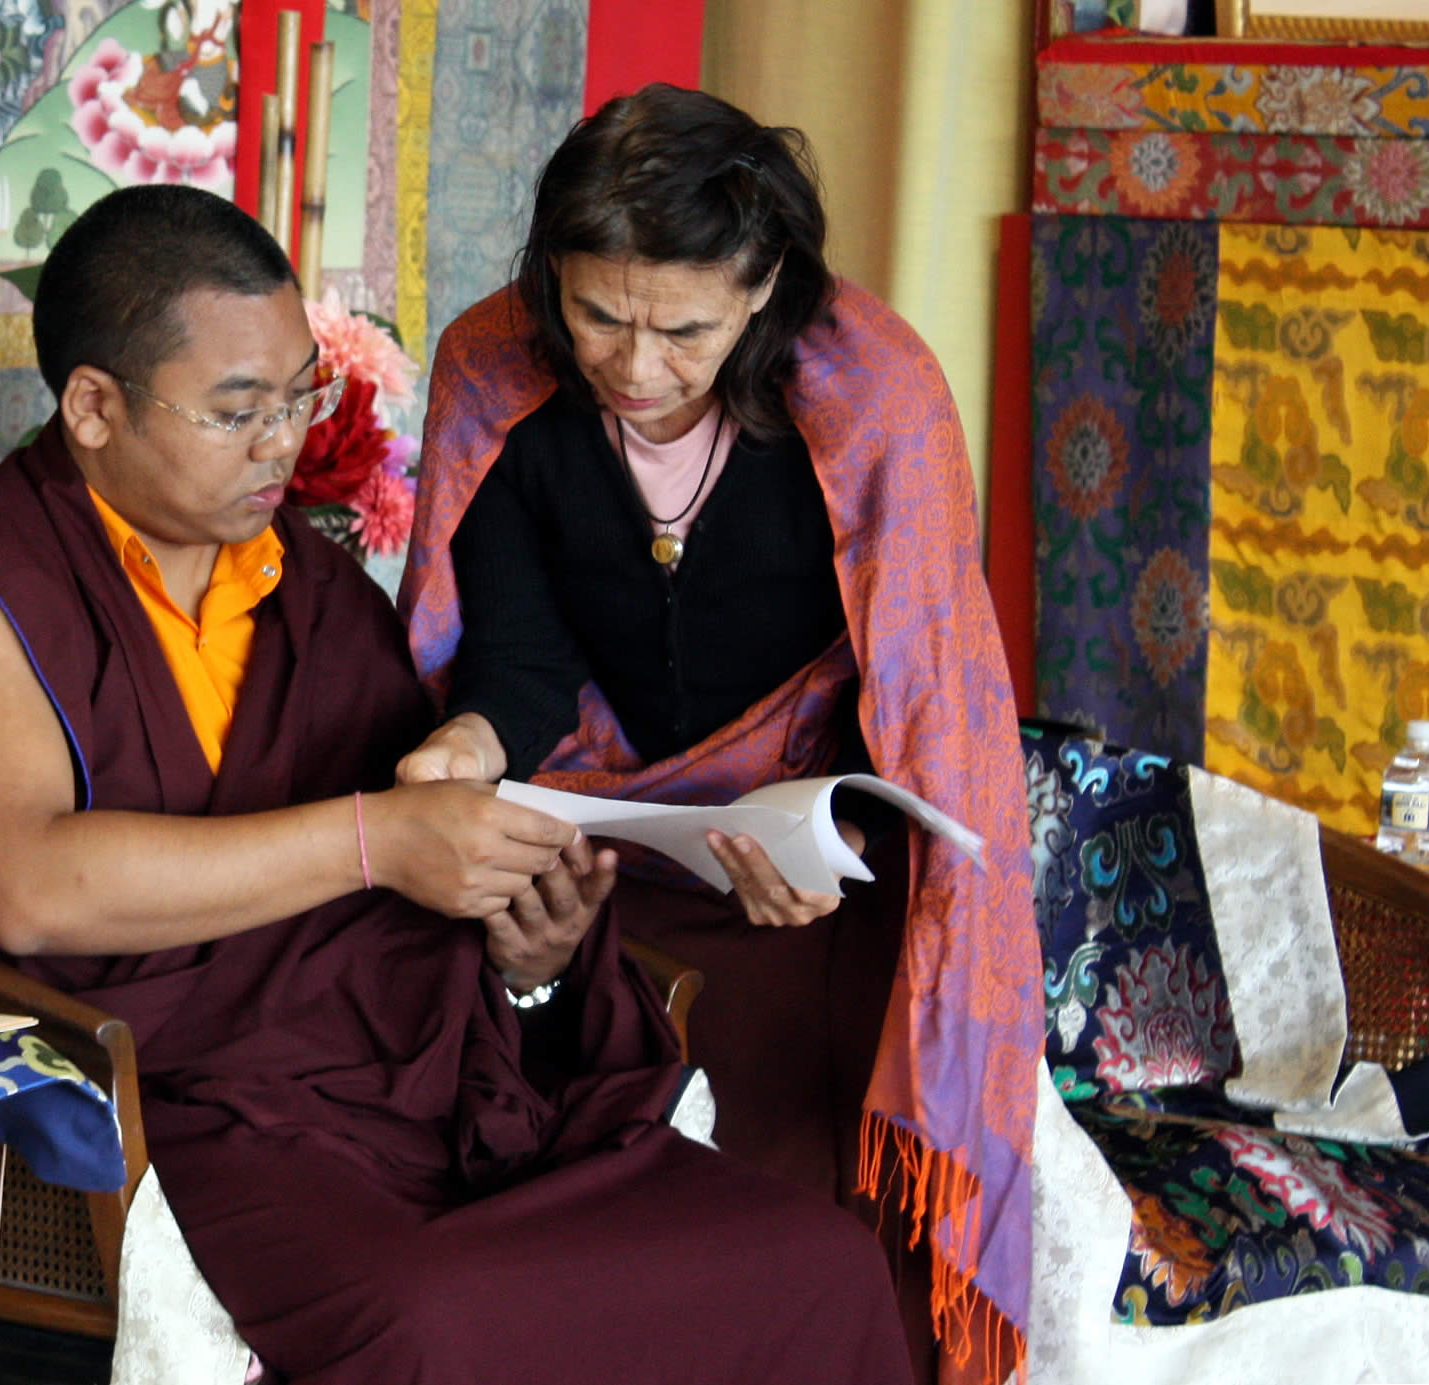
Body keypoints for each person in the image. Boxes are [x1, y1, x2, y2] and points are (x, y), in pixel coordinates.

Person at [0, 184, 913, 1383]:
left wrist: (525, 965)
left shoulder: (316, 592)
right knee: (437, 1319)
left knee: (808, 1258)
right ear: (92, 406)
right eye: (239, 410)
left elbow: (403, 924)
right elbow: (29, 890)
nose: (283, 441)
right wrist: (379, 839)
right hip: (162, 1106)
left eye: (299, 397)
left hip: (406, 1090)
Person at [395, 86, 1040, 1385]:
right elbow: (514, 661)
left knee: (807, 1152)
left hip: (814, 868)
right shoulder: (497, 373)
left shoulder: (875, 398)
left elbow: (913, 695)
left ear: (764, 291)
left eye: (680, 328)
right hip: (592, 834)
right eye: (595, 314)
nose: (633, 366)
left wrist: (833, 839)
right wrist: (464, 743)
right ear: (548, 281)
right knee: (483, 1053)